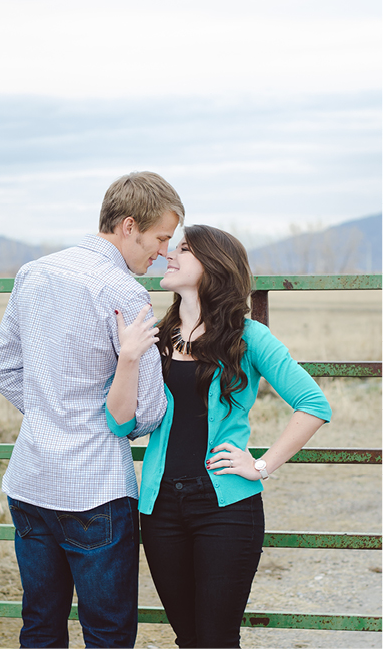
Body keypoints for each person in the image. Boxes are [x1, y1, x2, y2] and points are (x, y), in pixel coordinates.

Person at [106, 225, 331, 648]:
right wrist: (128, 358)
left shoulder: (249, 337)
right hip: (160, 509)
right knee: (188, 637)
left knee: (216, 639)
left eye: (184, 249)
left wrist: (262, 465)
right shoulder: (153, 339)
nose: (169, 253)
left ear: (213, 265)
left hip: (226, 510)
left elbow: (314, 405)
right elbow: (120, 424)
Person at [0, 171, 185, 648]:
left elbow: (1, 368)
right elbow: (149, 413)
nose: (161, 252)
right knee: (108, 633)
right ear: (130, 226)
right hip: (95, 488)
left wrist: (50, 412)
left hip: (31, 480)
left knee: (39, 626)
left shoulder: (34, 272)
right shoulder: (126, 293)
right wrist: (97, 418)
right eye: (160, 238)